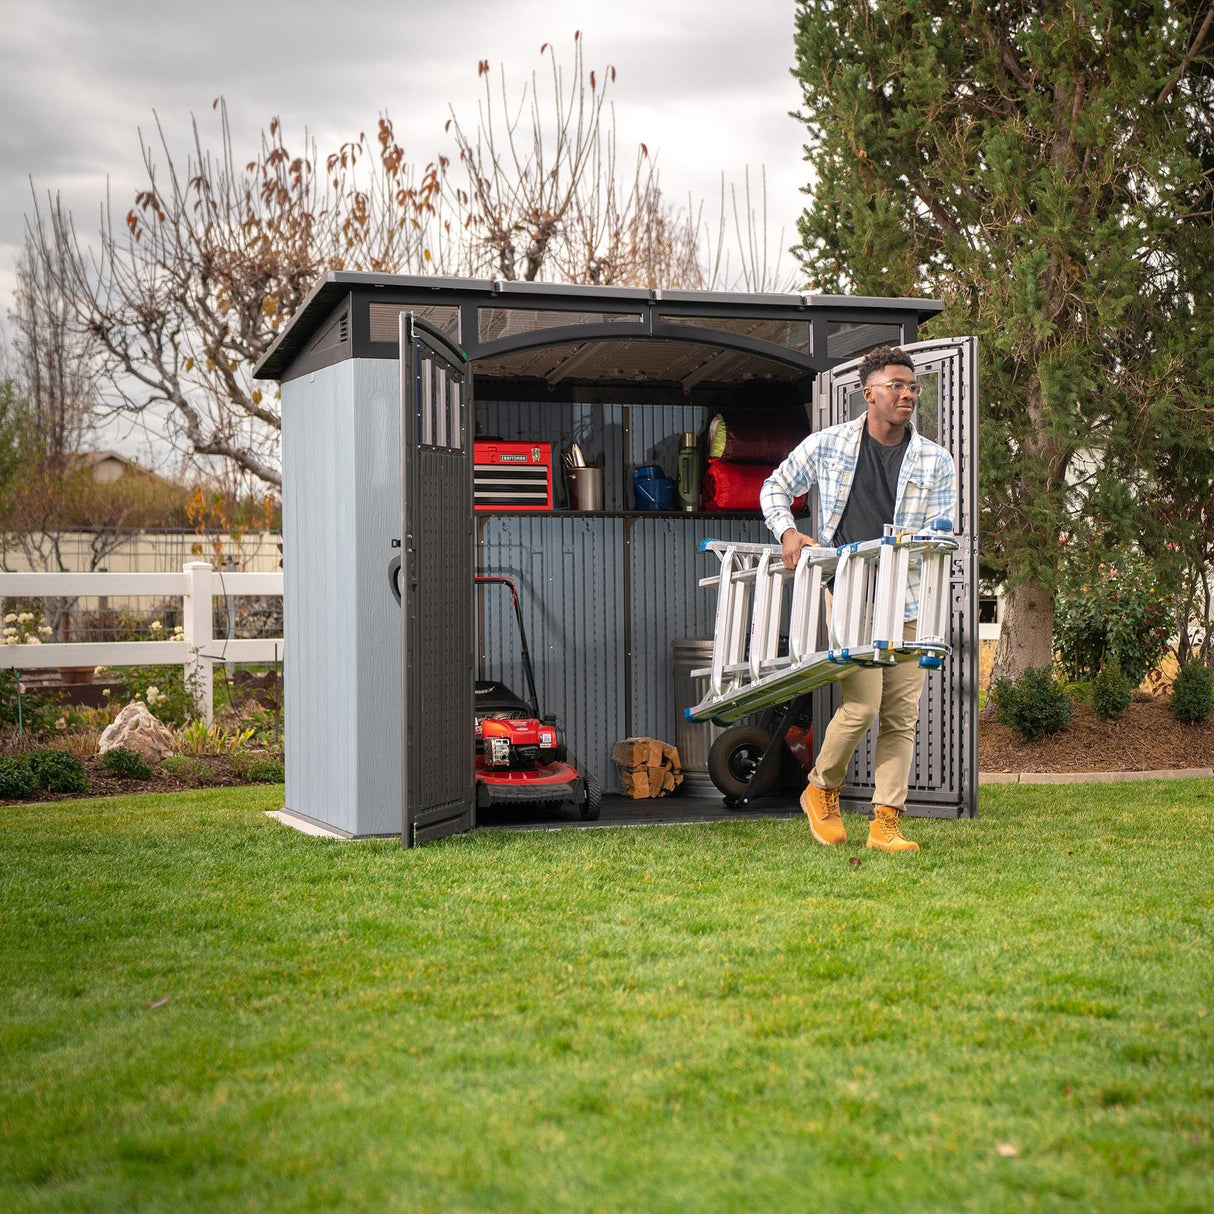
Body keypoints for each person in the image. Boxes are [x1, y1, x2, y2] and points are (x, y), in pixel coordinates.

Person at [760, 346, 957, 853]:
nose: (907, 393)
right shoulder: (829, 445)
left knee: (900, 716)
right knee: (863, 705)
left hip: (909, 599)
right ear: (868, 393)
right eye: (896, 385)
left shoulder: (935, 460)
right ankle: (821, 788)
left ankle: (885, 822)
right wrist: (787, 532)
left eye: (912, 386)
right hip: (847, 593)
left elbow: (944, 531)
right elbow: (775, 486)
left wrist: (931, 539)